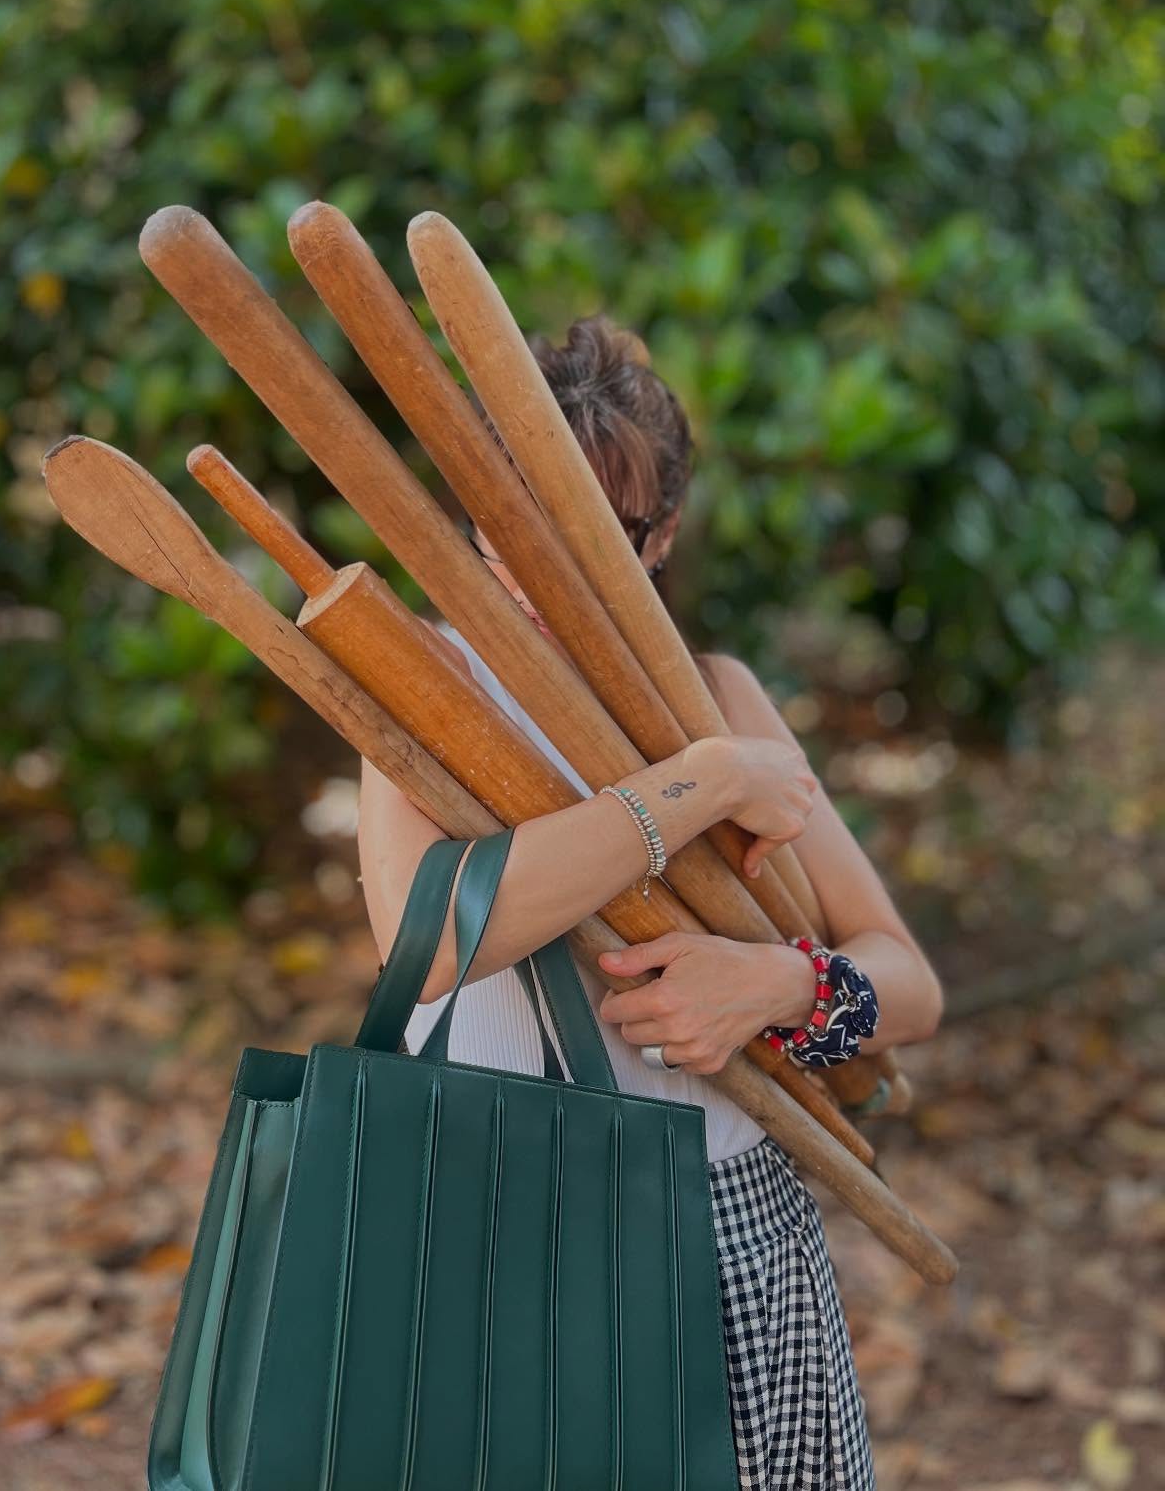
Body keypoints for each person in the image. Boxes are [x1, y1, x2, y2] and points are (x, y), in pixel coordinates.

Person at [356, 313, 945, 1491]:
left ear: (662, 532)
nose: (541, 570)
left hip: (726, 1224)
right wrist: (705, 783)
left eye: (593, 532)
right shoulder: (421, 688)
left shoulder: (718, 692)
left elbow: (909, 980)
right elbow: (433, 940)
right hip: (496, 1227)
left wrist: (783, 984)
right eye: (507, 523)